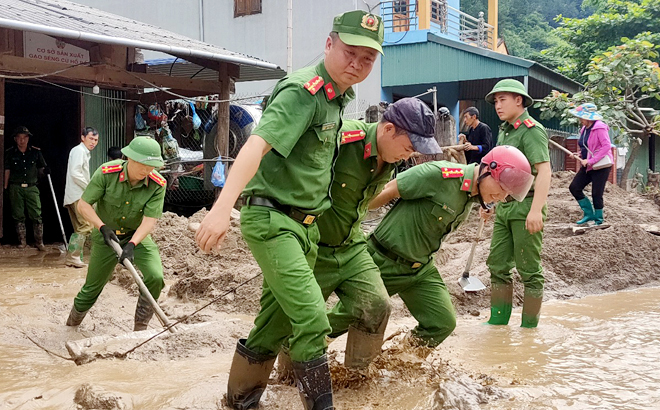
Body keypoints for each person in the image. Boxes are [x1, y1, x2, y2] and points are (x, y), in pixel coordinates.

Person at [194, 10, 383, 410]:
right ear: (329, 44)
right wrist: (222, 207)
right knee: (313, 320)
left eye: (368, 59)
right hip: (274, 221)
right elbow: (255, 145)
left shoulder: (338, 99)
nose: (357, 64)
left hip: (306, 228)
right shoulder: (304, 92)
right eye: (350, 52)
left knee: (274, 323)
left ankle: (238, 402)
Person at [328, 146, 533, 353]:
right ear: (487, 169)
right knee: (338, 322)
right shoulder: (439, 176)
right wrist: (344, 226)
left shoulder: (474, 195)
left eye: (507, 193)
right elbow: (383, 193)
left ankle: (399, 362)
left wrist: (487, 202)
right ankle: (304, 355)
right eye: (501, 188)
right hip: (384, 261)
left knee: (442, 323)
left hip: (420, 270)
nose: (502, 196)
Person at [310, 98, 441, 369]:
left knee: (378, 305)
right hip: (314, 245)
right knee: (304, 319)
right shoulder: (343, 139)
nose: (408, 155)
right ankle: (289, 377)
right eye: (408, 147)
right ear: (388, 130)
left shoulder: (392, 158)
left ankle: (357, 377)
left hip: (352, 246)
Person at [65, 137, 167, 332]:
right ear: (130, 158)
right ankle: (71, 325)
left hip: (136, 235)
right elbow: (84, 205)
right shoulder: (106, 173)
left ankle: (140, 328)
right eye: (144, 165)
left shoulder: (157, 184)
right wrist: (101, 227)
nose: (147, 170)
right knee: (92, 287)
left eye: (152, 166)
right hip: (105, 235)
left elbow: (149, 221)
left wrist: (132, 244)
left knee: (155, 276)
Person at [484, 79, 552, 328]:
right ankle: (498, 322)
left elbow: (544, 172)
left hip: (526, 206)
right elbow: (499, 172)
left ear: (519, 100)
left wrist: (536, 211)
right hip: (504, 206)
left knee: (529, 269)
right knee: (498, 264)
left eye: (503, 100)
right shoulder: (505, 130)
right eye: (496, 101)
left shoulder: (531, 130)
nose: (498, 106)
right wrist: (488, 203)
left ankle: (529, 328)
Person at [568, 103, 613, 226]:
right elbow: (587, 147)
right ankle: (588, 214)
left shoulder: (600, 128)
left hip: (600, 166)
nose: (580, 120)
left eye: (581, 117)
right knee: (574, 187)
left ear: (588, 117)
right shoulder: (584, 129)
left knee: (596, 194)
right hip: (588, 165)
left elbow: (606, 147)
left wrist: (591, 161)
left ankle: (598, 220)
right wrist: (578, 154)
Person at [3, 126, 47, 250]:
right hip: (16, 187)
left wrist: (45, 171)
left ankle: (39, 242)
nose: (22, 140)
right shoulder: (10, 153)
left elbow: (41, 169)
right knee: (18, 215)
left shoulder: (35, 152)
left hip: (32, 187)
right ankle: (22, 242)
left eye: (24, 137)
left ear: (28, 138)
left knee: (36, 214)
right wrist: (5, 187)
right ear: (15, 139)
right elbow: (7, 170)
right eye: (19, 138)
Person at [64, 127, 99, 268]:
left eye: (96, 140)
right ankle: (73, 257)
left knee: (81, 227)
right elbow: (75, 173)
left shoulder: (82, 152)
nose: (93, 142)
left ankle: (74, 258)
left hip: (75, 195)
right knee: (85, 225)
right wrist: (90, 188)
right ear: (83, 137)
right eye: (91, 138)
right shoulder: (79, 151)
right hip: (78, 195)